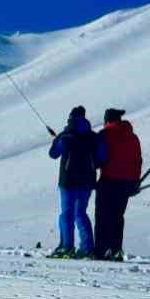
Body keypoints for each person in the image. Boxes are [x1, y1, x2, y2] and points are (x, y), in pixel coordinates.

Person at [46, 106, 97, 257]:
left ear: (70, 118)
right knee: (80, 214)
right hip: (87, 182)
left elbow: (53, 154)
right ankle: (87, 248)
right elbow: (101, 158)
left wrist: (56, 140)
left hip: (68, 181)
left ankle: (66, 246)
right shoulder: (92, 136)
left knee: (66, 214)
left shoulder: (66, 135)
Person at [94, 107, 143, 261]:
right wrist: (135, 181)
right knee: (117, 216)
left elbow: (99, 159)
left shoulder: (104, 135)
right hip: (127, 184)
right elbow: (138, 160)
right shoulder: (133, 137)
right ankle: (116, 249)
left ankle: (102, 250)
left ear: (107, 120)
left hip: (109, 181)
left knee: (103, 216)